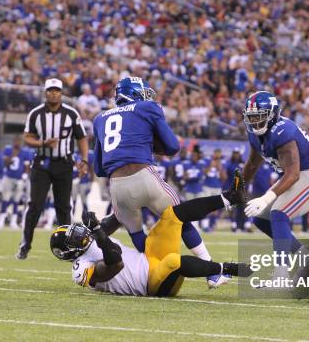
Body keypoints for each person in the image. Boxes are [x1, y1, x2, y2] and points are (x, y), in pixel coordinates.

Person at [92, 77, 220, 288]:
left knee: (139, 239)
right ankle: (212, 271)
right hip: (144, 176)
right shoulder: (147, 107)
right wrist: (146, 143)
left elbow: (98, 168)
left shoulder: (99, 118)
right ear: (134, 94)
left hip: (118, 187)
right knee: (180, 218)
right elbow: (172, 147)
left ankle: (150, 278)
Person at [50, 171, 249, 297]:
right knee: (173, 260)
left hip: (150, 256)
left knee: (172, 214)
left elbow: (115, 220)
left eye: (76, 231)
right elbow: (115, 263)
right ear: (68, 253)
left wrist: (130, 199)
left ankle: (230, 197)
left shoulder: (93, 237)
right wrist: (98, 232)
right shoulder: (81, 269)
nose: (79, 234)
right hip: (151, 284)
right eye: (74, 237)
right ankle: (227, 269)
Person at [241, 91, 309, 276]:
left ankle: (281, 275)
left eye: (260, 117)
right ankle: (308, 259)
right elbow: (253, 163)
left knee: (279, 213)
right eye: (251, 117)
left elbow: (292, 174)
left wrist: (267, 196)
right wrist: (236, 189)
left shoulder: (283, 130)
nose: (255, 122)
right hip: (299, 174)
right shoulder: (254, 133)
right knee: (261, 218)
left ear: (273, 114)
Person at [16, 78, 89, 259]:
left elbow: (81, 138)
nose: (53, 93)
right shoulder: (36, 114)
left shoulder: (71, 114)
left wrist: (85, 160)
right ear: (45, 92)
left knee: (64, 207)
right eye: (50, 90)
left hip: (64, 163)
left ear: (61, 93)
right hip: (42, 163)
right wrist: (43, 143)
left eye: (56, 90)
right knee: (35, 205)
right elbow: (27, 137)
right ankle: (25, 244)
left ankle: (68, 247)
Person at [0, 135, 32, 229]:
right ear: (13, 142)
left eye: (19, 141)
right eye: (16, 141)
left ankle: (13, 221)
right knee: (5, 199)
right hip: (8, 177)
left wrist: (25, 175)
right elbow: (6, 163)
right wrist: (13, 155)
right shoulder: (8, 150)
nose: (17, 143)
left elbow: (27, 166)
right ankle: (1, 221)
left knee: (16, 200)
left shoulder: (25, 152)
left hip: (19, 178)